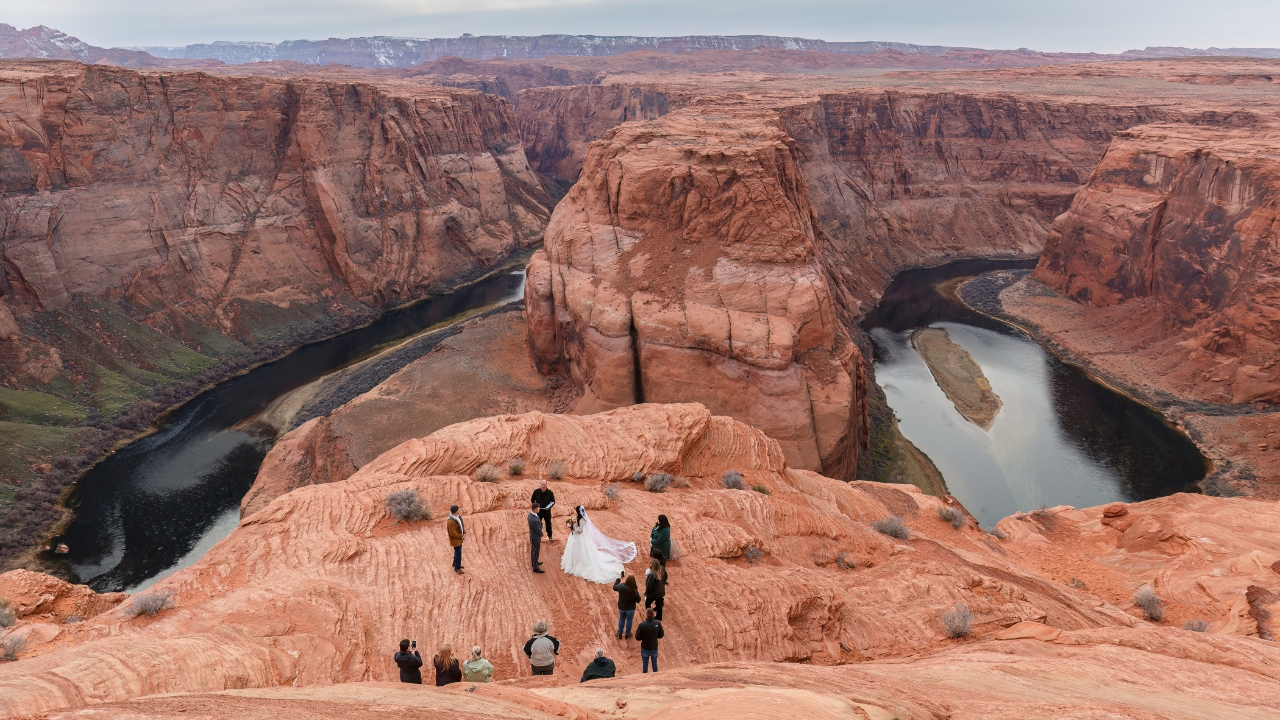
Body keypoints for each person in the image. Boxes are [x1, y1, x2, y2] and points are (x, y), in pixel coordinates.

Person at [561, 505, 637, 584]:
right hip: (577, 537)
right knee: (577, 549)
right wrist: (573, 525)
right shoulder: (579, 517)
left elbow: (580, 530)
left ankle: (578, 562)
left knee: (582, 550)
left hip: (580, 536)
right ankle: (575, 560)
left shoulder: (582, 519)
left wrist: (573, 528)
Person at [613, 573, 641, 639]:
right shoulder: (634, 591)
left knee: (622, 619)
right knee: (629, 620)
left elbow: (614, 587)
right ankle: (628, 634)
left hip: (622, 607)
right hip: (630, 609)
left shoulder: (622, 587)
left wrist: (618, 580)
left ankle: (619, 634)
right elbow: (638, 600)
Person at [635, 609, 664, 673]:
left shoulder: (642, 625)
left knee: (645, 662)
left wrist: (644, 637)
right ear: (653, 615)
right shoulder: (657, 623)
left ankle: (645, 676)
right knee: (654, 662)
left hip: (645, 647)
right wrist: (655, 636)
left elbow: (637, 637)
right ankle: (655, 676)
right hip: (654, 646)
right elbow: (661, 635)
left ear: (646, 615)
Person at [447, 505, 465, 574]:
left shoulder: (458, 516)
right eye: (458, 509)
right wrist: (461, 536)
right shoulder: (451, 522)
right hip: (456, 540)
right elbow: (453, 534)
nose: (459, 510)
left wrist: (464, 532)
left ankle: (455, 563)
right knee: (458, 553)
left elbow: (461, 525)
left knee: (457, 552)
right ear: (455, 511)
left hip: (459, 539)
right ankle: (457, 568)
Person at [528, 500, 545, 573]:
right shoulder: (534, 520)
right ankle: (535, 567)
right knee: (535, 552)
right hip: (535, 537)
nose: (539, 509)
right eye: (538, 508)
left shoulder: (531, 515)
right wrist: (542, 533)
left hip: (533, 536)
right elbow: (538, 530)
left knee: (533, 551)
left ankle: (534, 563)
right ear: (535, 509)